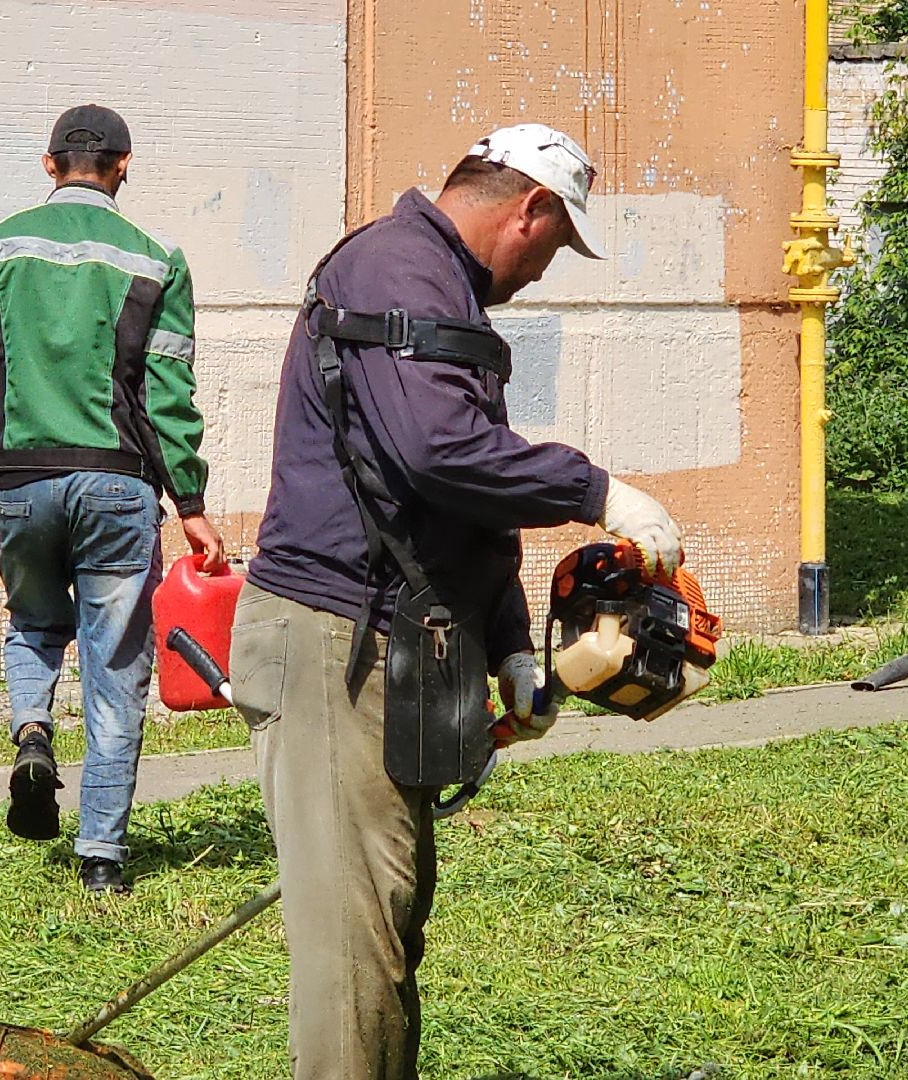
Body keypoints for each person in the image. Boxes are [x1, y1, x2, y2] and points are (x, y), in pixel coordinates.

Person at [229, 123, 684, 1078]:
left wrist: (513, 643)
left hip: (393, 639)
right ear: (531, 208)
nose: (542, 273)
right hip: (329, 640)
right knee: (355, 953)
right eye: (553, 247)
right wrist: (596, 492)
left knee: (390, 916)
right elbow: (439, 452)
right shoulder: (395, 271)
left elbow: (461, 499)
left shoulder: (436, 289)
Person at [0, 104, 224, 894]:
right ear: (124, 166)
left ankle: (32, 729)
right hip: (118, 486)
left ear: (49, 164)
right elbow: (169, 396)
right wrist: (192, 502)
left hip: (22, 485)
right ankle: (101, 856)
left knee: (35, 623)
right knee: (117, 667)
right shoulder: (157, 259)